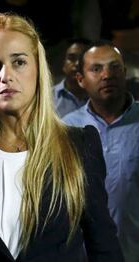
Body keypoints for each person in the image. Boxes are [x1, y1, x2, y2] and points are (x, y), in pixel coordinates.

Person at [0, 13, 123, 261]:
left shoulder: (79, 144)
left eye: (18, 62)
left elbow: (103, 245)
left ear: (38, 68)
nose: (6, 75)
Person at [63, 40, 139, 262]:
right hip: (83, 254)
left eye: (114, 67)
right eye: (96, 69)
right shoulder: (68, 128)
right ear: (81, 80)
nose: (107, 75)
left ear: (125, 73)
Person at [53, 38, 91, 117]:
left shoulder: (102, 98)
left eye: (82, 59)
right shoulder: (46, 98)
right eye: (72, 58)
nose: (77, 63)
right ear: (64, 64)